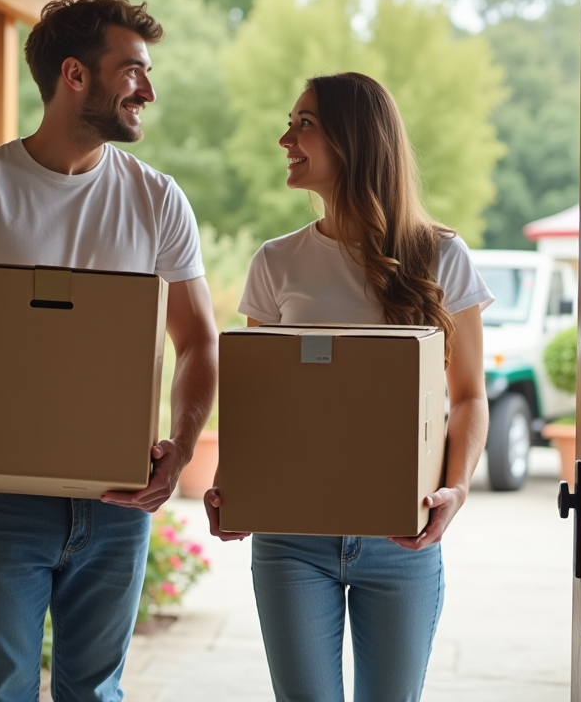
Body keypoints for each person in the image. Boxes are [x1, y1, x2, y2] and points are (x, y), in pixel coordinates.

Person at [0, 0, 218, 702]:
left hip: (117, 501)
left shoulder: (158, 200)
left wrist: (181, 449)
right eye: (132, 71)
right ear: (75, 75)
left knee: (94, 694)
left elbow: (198, 343)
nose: (148, 91)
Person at [204, 72, 493, 702]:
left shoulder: (441, 256)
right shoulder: (276, 261)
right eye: (290, 124)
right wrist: (233, 485)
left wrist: (458, 488)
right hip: (291, 540)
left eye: (304, 124)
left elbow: (470, 396)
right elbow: (258, 400)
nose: (286, 139)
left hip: (402, 539)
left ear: (355, 139)